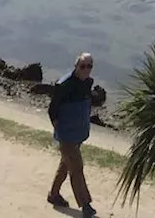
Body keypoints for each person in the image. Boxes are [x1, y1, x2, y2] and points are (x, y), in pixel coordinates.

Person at [48, 52, 97, 215]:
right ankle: (86, 205)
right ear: (76, 67)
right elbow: (52, 110)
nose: (86, 70)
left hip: (79, 134)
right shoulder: (64, 85)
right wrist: (60, 130)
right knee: (77, 168)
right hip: (66, 135)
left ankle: (53, 194)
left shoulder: (88, 83)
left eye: (89, 66)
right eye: (83, 66)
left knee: (65, 165)